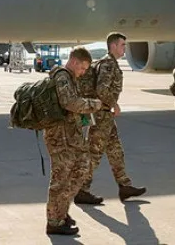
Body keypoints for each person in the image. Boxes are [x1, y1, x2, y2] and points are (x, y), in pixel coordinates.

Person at [75, 32, 146, 204]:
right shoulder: (108, 64)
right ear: (113, 46)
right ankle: (81, 190)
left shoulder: (109, 63)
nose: (124, 48)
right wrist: (114, 104)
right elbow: (102, 90)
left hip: (104, 115)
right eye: (122, 45)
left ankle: (124, 186)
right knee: (95, 153)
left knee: (116, 151)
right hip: (101, 115)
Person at [43, 47, 102, 236]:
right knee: (60, 179)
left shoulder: (70, 77)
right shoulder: (62, 77)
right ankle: (54, 222)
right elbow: (70, 103)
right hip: (60, 138)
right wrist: (94, 104)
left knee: (81, 170)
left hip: (71, 136)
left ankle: (61, 211)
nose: (83, 72)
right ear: (74, 62)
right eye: (82, 68)